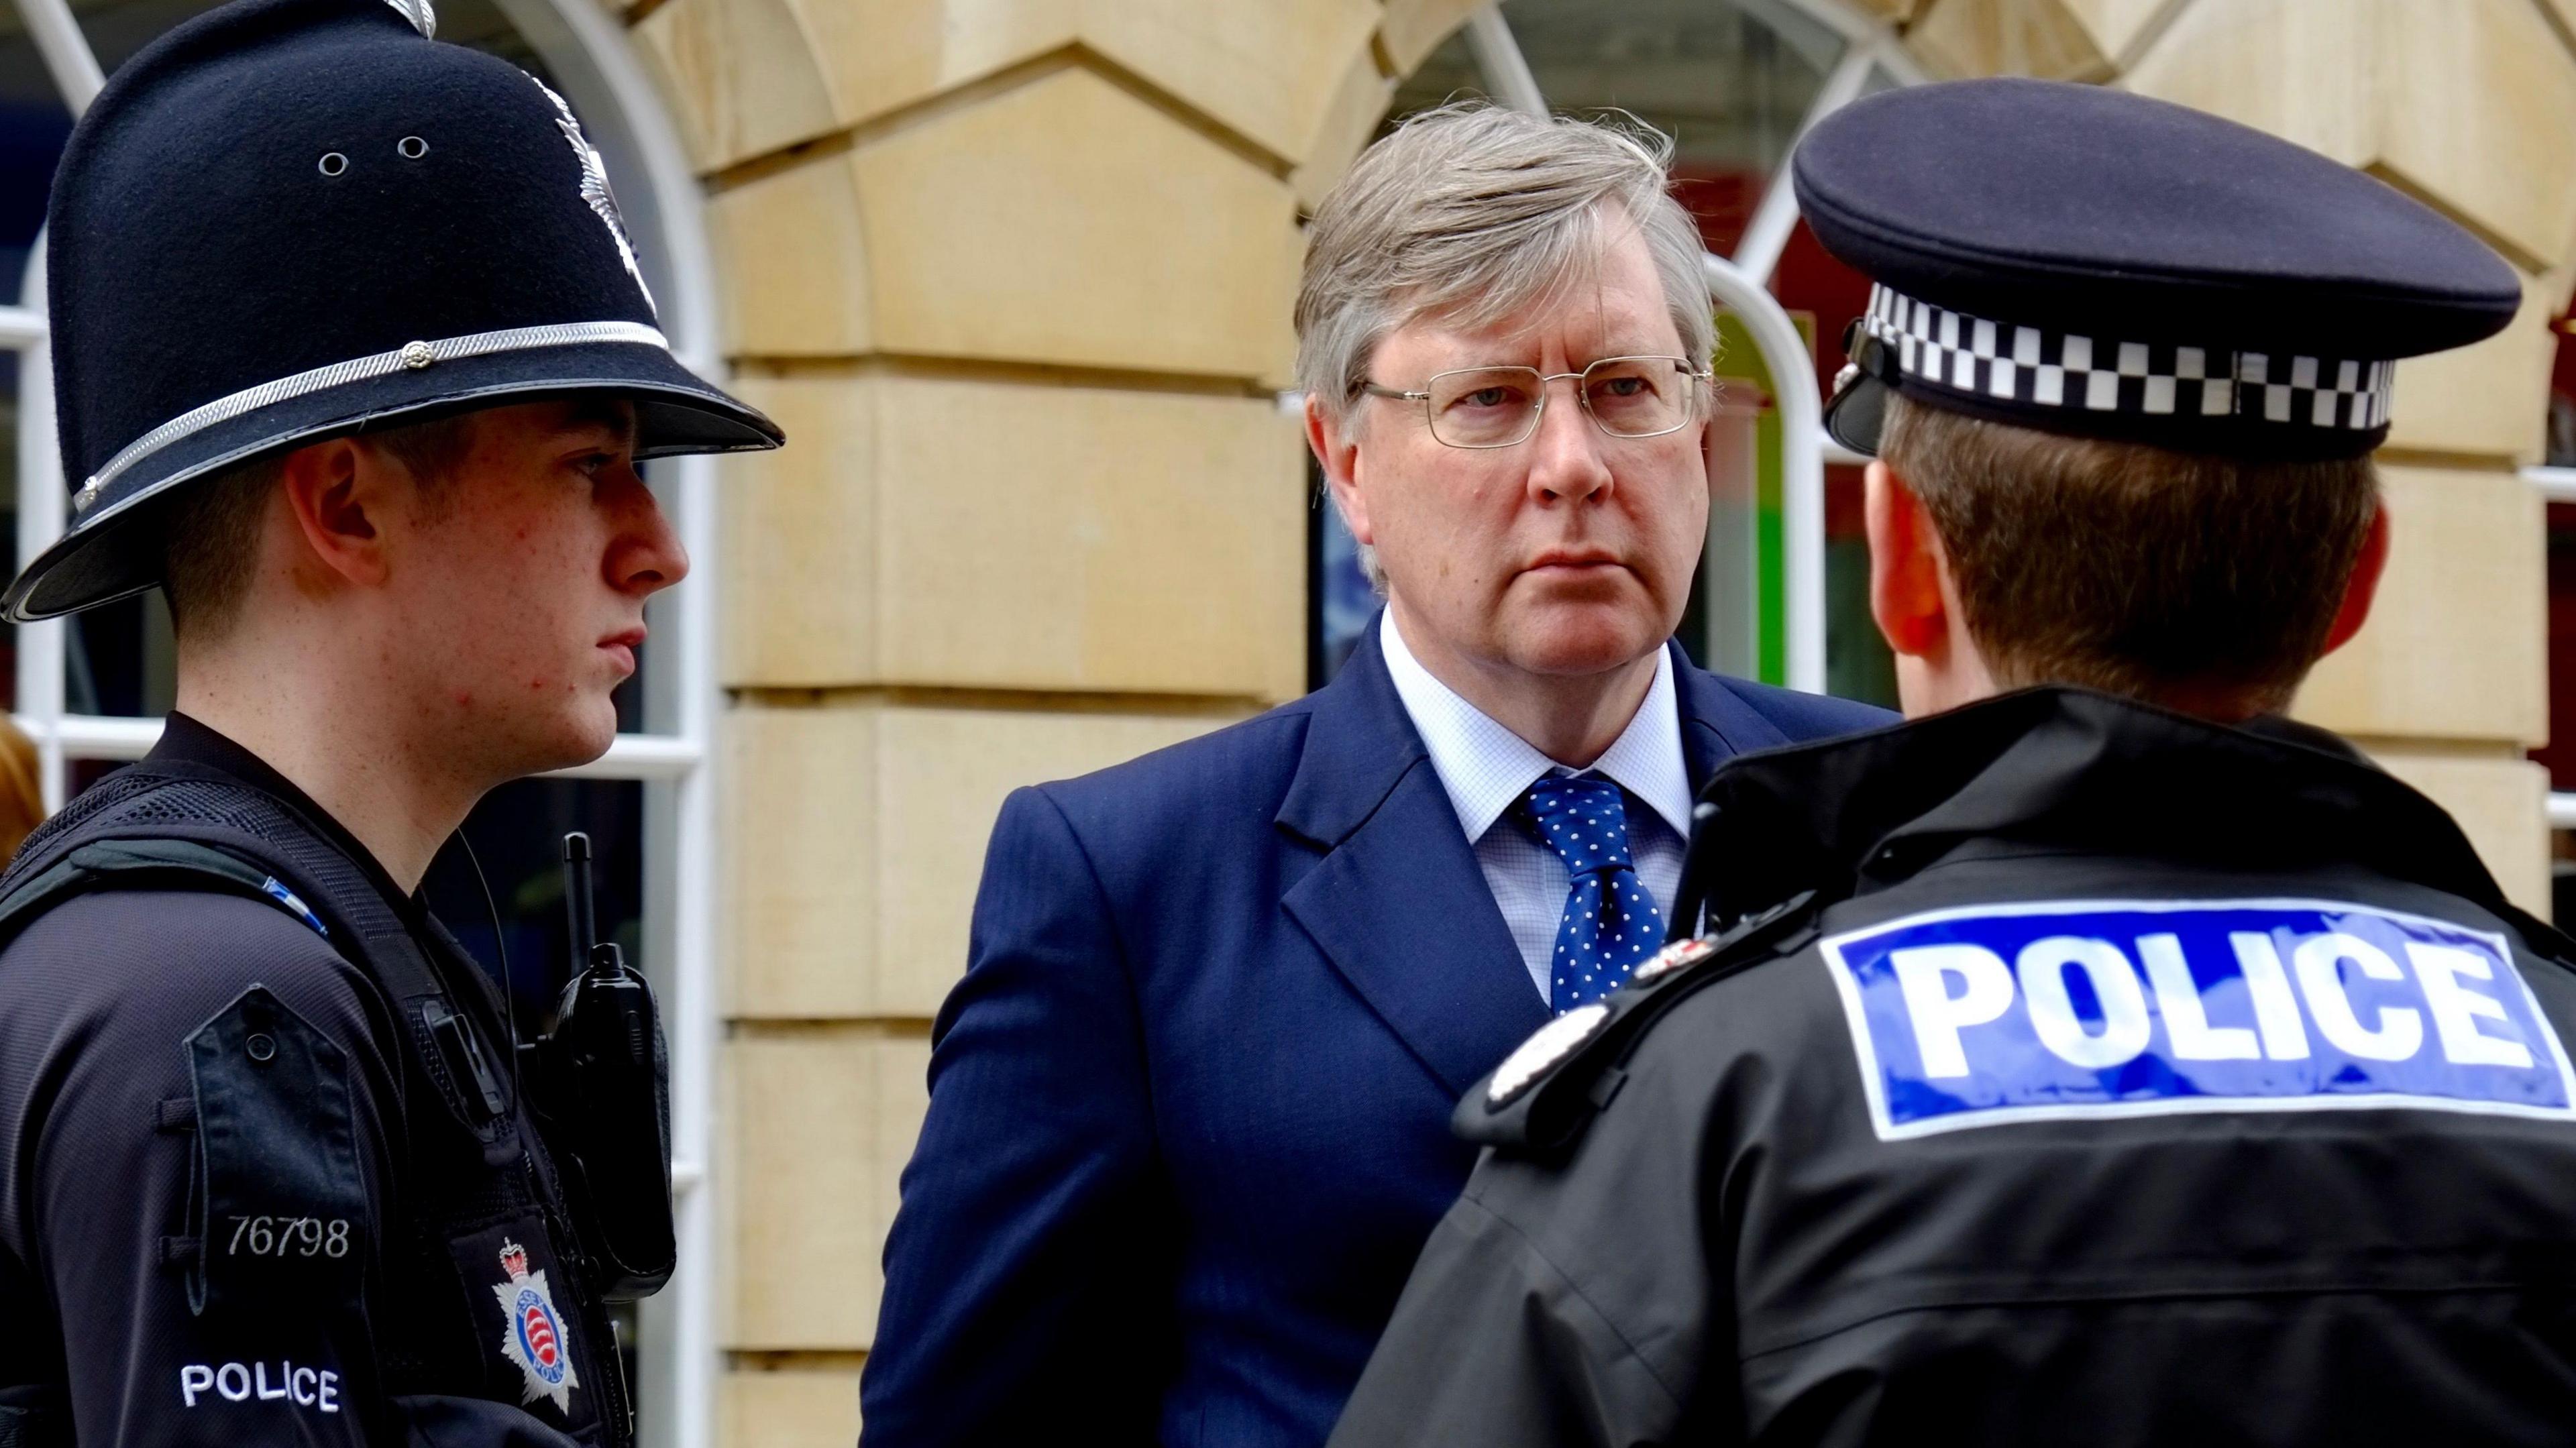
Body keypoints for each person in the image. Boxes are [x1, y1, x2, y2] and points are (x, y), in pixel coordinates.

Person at [1322, 76, 2576, 1448]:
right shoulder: (2551, 1043)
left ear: (1904, 565)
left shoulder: (1728, 1101)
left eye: (1625, 389)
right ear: (2355, 586)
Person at [860, 105, 1890, 1447]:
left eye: (1627, 390)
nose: (1572, 467)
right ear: (1346, 463)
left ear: (1699, 431)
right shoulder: (1129, 883)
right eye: (1488, 402)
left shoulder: (1884, 819)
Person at [0, 0, 782, 1443]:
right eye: (587, 464)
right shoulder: (224, 1009)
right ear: (348, 505)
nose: (656, 547)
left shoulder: (307, 955)